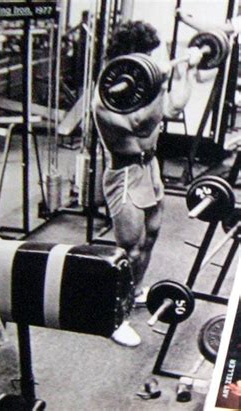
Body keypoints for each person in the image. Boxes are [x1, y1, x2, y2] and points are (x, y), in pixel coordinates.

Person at [92, 20, 203, 347]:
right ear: (129, 58)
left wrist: (186, 71)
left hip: (150, 167)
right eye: (147, 57)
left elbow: (175, 106)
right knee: (129, 246)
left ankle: (132, 290)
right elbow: (142, 124)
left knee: (151, 235)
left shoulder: (146, 87)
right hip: (124, 174)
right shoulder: (107, 97)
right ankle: (115, 318)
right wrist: (161, 78)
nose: (154, 63)